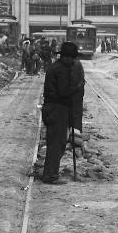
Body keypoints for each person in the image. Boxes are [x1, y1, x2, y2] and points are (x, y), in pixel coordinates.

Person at [40, 41, 85, 184]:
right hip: (57, 109)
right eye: (71, 58)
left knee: (55, 142)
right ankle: (50, 176)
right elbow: (64, 92)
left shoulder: (56, 67)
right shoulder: (61, 70)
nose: (73, 61)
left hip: (52, 108)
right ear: (65, 57)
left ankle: (50, 173)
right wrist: (77, 86)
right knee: (56, 144)